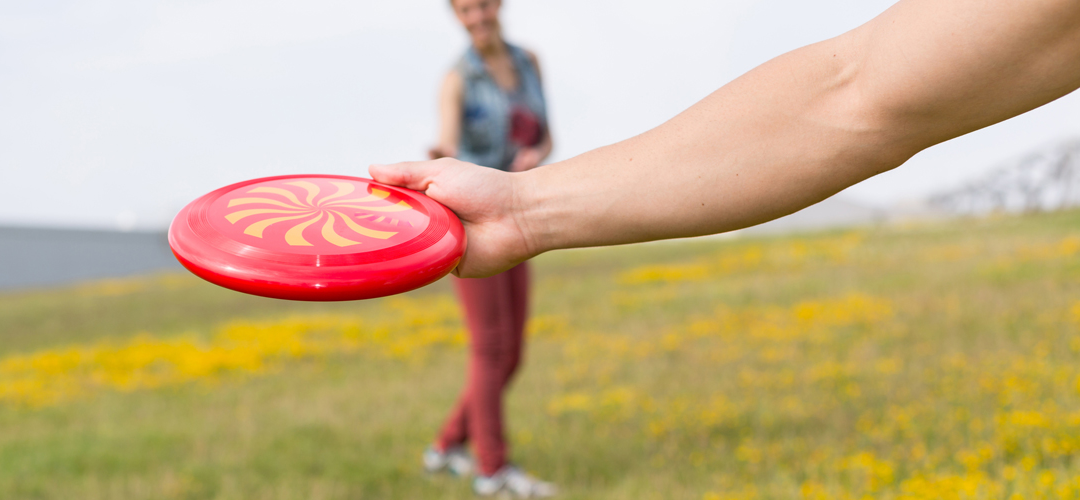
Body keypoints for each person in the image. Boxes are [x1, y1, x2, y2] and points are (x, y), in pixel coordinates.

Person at [372, 0, 1080, 281]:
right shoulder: (459, 77)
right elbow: (857, 96)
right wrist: (526, 207)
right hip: (478, 214)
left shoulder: (528, 64)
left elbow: (856, 96)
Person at [419, 0, 556, 497]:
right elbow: (448, 146)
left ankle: (447, 445)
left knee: (513, 352)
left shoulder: (529, 63)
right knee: (490, 346)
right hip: (471, 223)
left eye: (481, 6)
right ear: (456, 16)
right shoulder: (457, 79)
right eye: (463, 10)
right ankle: (492, 470)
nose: (476, 17)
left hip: (519, 215)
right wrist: (438, 158)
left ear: (497, 6)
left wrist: (534, 156)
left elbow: (547, 137)